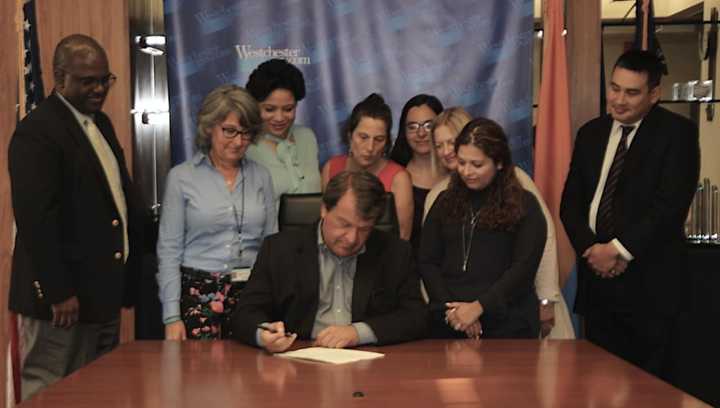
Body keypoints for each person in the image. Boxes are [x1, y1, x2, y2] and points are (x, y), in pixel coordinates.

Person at [8, 34, 144, 400]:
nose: (99, 89)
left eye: (105, 79)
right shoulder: (38, 131)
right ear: (58, 76)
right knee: (53, 392)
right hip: (63, 304)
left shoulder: (99, 124)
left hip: (101, 296)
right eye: (88, 81)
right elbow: (37, 219)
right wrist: (58, 291)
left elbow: (115, 205)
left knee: (96, 394)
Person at [560, 50, 700, 378]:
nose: (619, 100)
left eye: (632, 92)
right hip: (597, 283)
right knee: (596, 383)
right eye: (614, 88)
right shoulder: (591, 133)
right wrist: (592, 250)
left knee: (650, 389)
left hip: (650, 288)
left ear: (655, 94)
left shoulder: (677, 134)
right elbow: (570, 204)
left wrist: (618, 250)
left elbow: (669, 206)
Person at [231, 170, 427, 352]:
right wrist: (264, 335)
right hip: (299, 358)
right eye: (344, 224)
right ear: (324, 208)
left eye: (364, 229)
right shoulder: (279, 250)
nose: (351, 239)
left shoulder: (395, 252)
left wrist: (358, 333)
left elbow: (416, 316)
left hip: (369, 359)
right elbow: (245, 314)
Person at [424, 107, 575, 339]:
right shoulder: (443, 199)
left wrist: (478, 308)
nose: (466, 171)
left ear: (499, 163)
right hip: (451, 323)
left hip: (508, 323)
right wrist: (454, 311)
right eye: (462, 162)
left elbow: (523, 268)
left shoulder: (524, 202)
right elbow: (427, 261)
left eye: (477, 165)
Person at [157, 84, 277, 341]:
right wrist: (171, 317)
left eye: (246, 133)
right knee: (202, 378)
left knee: (251, 376)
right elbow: (169, 250)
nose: (238, 141)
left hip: (251, 294)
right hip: (198, 295)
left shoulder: (261, 177)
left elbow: (272, 245)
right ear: (210, 127)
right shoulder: (181, 177)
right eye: (229, 131)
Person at [322, 94, 414, 240]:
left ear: (387, 143)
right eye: (363, 137)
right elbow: (325, 224)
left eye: (379, 139)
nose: (370, 147)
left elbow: (402, 238)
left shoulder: (399, 179)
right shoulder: (331, 168)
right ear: (349, 136)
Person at [245, 59, 321, 204]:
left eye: (288, 109)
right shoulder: (244, 145)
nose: (279, 118)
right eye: (269, 109)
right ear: (254, 104)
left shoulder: (307, 137)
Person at [389, 94, 445, 254]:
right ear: (403, 132)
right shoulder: (393, 173)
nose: (421, 133)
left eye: (429, 125)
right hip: (407, 267)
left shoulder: (459, 170)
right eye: (412, 127)